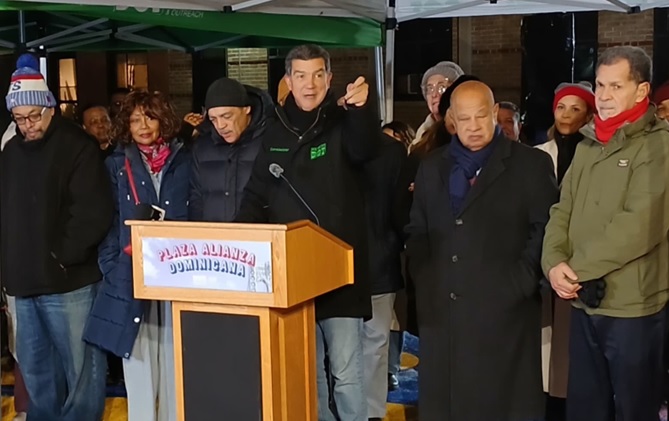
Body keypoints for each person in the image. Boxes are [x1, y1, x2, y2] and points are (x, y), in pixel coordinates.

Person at [236, 44, 377, 421]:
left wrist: (363, 109)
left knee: (346, 375)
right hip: (293, 277)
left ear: (329, 79)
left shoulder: (343, 120)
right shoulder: (275, 130)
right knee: (309, 375)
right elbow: (255, 194)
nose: (309, 84)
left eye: (317, 75)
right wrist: (238, 238)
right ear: (288, 81)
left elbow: (366, 149)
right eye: (300, 76)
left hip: (338, 274)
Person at [405, 80, 558, 420]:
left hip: (505, 317)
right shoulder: (432, 167)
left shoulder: (531, 165)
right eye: (464, 119)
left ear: (494, 112)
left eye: (480, 116)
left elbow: (545, 231)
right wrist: (427, 281)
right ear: (451, 121)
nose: (473, 126)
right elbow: (417, 231)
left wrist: (518, 285)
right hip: (444, 316)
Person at [542, 45, 669, 421]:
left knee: (634, 410)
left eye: (616, 86)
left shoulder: (659, 146)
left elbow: (640, 225)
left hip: (633, 310)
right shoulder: (588, 143)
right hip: (584, 302)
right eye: (600, 85)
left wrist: (575, 270)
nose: (604, 96)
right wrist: (553, 263)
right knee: (584, 409)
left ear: (641, 91)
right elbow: (562, 209)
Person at [0, 53, 113, 420]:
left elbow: (94, 211)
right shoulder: (10, 152)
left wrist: (61, 256)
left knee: (82, 372)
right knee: (35, 371)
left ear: (50, 108)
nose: (27, 125)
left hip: (68, 281)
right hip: (22, 282)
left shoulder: (78, 146)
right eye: (19, 118)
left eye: (34, 116)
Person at [83, 91, 188, 421]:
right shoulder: (115, 165)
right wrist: (111, 265)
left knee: (175, 365)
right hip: (131, 273)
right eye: (134, 119)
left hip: (177, 273)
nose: (143, 126)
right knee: (138, 365)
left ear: (163, 120)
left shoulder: (185, 159)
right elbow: (107, 220)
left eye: (150, 117)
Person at [535, 81, 595, 420]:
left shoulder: (595, 154)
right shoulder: (539, 155)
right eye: (561, 107)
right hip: (545, 259)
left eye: (575, 108)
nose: (566, 115)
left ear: (588, 114)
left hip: (581, 261)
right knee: (547, 345)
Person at [362, 132, 406, 420]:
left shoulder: (391, 152)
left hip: (378, 261)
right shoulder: (325, 142)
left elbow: (400, 211)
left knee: (375, 344)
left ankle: (372, 414)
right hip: (332, 263)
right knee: (345, 352)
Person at [189, 77, 273, 222]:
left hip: (259, 234)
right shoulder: (202, 148)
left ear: (246, 109)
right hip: (213, 236)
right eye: (213, 119)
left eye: (226, 116)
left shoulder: (271, 142)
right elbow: (196, 200)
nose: (220, 125)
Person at [410, 61, 464, 150]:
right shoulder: (421, 134)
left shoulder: (466, 130)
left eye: (441, 88)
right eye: (430, 88)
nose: (434, 94)